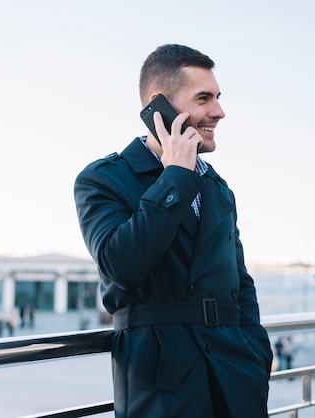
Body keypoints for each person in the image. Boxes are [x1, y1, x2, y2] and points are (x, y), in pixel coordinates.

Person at [74, 44, 272, 418]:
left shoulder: (218, 187)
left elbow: (241, 284)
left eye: (217, 98)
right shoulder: (103, 178)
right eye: (203, 98)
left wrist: (257, 357)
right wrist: (175, 177)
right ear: (158, 104)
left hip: (237, 377)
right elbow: (122, 265)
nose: (219, 111)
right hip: (162, 382)